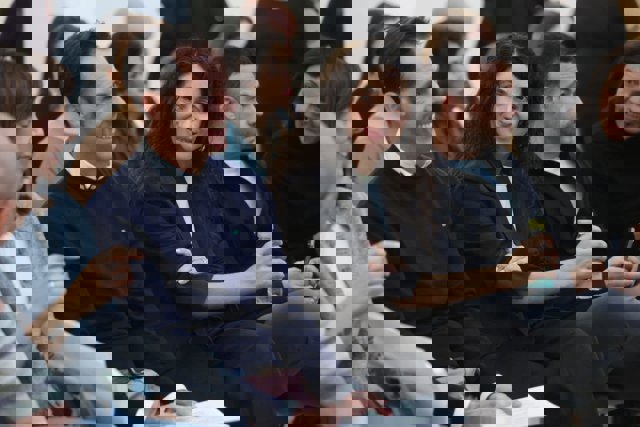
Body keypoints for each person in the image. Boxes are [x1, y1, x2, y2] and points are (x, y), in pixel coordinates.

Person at [89, 44, 365, 427]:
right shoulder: (138, 186)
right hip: (168, 341)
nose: (194, 118)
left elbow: (269, 261)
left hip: (231, 324)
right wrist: (252, 280)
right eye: (183, 104)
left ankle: (327, 406)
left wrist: (257, 283)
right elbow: (192, 291)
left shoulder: (225, 178)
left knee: (296, 326)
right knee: (260, 356)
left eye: (204, 105)